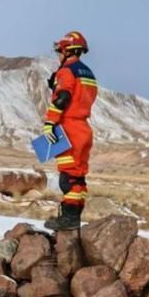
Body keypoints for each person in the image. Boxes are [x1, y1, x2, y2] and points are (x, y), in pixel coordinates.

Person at [41, 31, 98, 231]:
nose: (58, 55)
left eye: (59, 51)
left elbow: (63, 98)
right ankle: (74, 216)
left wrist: (50, 122)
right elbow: (80, 98)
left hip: (69, 128)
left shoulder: (66, 72)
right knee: (78, 176)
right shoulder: (88, 74)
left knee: (68, 177)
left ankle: (69, 220)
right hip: (84, 128)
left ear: (66, 50)